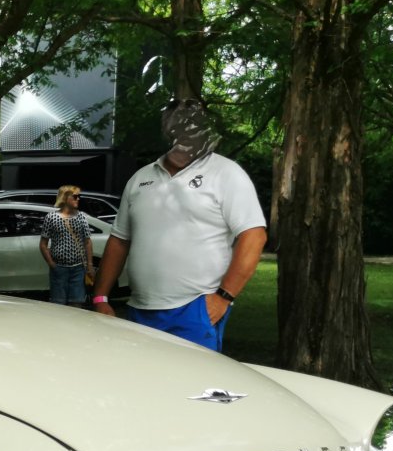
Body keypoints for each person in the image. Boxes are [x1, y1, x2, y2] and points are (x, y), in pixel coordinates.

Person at [91, 98, 266, 351]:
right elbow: (119, 240)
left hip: (196, 309)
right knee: (142, 375)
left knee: (194, 377)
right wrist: (100, 297)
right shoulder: (141, 178)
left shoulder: (226, 173)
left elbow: (254, 236)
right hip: (140, 309)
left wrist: (223, 297)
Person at [39, 185, 96, 307]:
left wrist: (89, 265)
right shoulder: (52, 217)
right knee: (58, 304)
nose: (78, 199)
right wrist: (51, 264)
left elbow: (87, 241)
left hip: (78, 268)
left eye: (79, 196)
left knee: (77, 302)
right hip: (59, 268)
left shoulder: (81, 217)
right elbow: (43, 244)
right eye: (75, 196)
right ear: (65, 198)